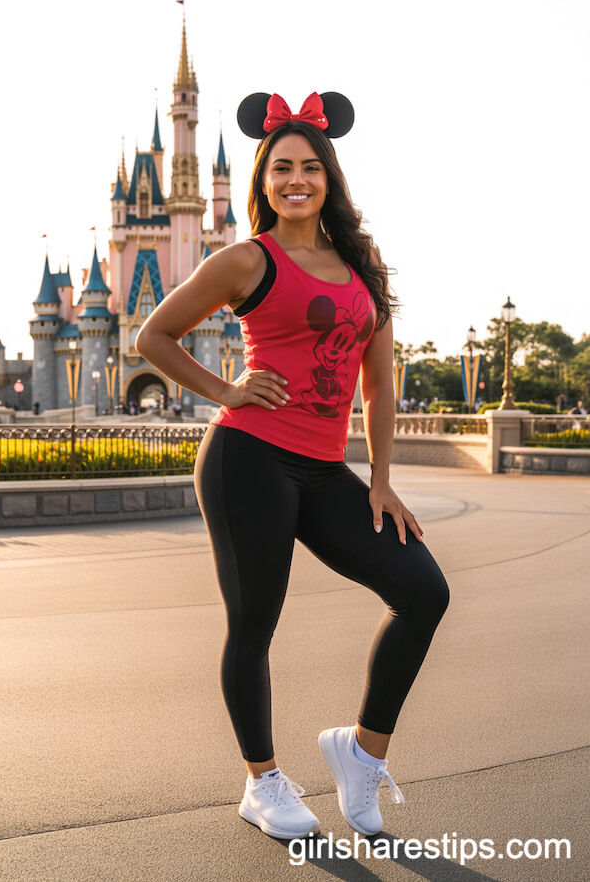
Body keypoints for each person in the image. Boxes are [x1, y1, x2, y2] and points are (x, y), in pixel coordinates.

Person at [136, 91, 449, 841]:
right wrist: (226, 390)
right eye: (282, 168)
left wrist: (378, 477)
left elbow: (378, 380)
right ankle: (262, 783)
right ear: (262, 179)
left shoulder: (363, 268)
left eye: (311, 167)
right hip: (247, 459)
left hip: (323, 470)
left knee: (423, 592)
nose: (296, 180)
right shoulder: (248, 258)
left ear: (329, 178)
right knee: (254, 626)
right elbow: (156, 335)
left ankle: (361, 755)